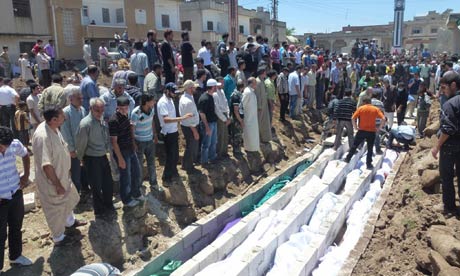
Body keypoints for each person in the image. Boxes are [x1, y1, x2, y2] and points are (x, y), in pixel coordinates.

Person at [32, 107, 86, 245]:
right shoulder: (43, 136)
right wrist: (57, 184)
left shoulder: (55, 128)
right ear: (54, 119)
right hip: (52, 181)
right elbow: (47, 165)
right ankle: (59, 238)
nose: (65, 118)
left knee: (69, 199)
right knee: (55, 210)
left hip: (63, 175)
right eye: (62, 116)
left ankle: (70, 223)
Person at [0, 126, 33, 273]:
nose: (4, 149)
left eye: (6, 147)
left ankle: (15, 256)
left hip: (15, 193)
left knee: (16, 227)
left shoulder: (14, 144)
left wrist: (25, 176)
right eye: (2, 147)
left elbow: (25, 155)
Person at [76, 98, 115, 218]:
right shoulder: (85, 124)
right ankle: (99, 211)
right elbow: (81, 144)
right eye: (97, 110)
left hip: (102, 156)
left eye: (102, 110)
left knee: (108, 183)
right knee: (96, 186)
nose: (100, 112)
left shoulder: (101, 120)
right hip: (91, 158)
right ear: (91, 109)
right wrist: (81, 159)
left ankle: (108, 205)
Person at [431, 71, 460, 217]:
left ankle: (449, 208)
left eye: (444, 88)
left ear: (453, 85)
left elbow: (448, 129)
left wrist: (437, 146)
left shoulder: (450, 104)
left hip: (451, 146)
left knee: (447, 177)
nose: (442, 91)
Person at [109, 96, 142, 207]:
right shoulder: (114, 120)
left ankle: (136, 193)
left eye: (126, 108)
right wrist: (120, 158)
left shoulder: (126, 116)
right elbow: (114, 142)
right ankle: (127, 200)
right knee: (125, 177)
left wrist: (133, 144)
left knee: (136, 172)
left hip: (130, 149)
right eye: (121, 108)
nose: (124, 110)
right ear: (117, 107)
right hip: (122, 152)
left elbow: (129, 130)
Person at [157, 83, 192, 182]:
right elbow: (166, 119)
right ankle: (166, 178)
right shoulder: (163, 102)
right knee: (170, 156)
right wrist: (182, 118)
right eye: (173, 92)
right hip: (168, 133)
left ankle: (174, 173)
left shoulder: (170, 99)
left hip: (174, 131)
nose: (174, 95)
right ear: (167, 91)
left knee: (175, 155)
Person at [344, 96, 386, 170]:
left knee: (354, 145)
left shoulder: (361, 108)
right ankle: (368, 164)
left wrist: (355, 127)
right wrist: (379, 128)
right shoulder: (376, 109)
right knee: (370, 149)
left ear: (364, 102)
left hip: (362, 130)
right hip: (371, 131)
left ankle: (348, 158)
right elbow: (383, 118)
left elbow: (353, 118)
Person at [131, 94, 159, 191]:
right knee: (139, 165)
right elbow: (132, 129)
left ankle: (154, 183)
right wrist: (133, 143)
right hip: (139, 142)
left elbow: (152, 122)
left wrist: (155, 135)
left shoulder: (152, 109)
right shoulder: (136, 113)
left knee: (151, 163)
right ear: (146, 102)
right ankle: (138, 185)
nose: (154, 102)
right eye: (152, 100)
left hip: (150, 140)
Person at [61, 88, 86, 193]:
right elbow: (65, 133)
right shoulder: (66, 112)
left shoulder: (83, 109)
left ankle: (85, 189)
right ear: (71, 99)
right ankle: (77, 194)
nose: (81, 100)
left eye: (81, 98)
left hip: (84, 147)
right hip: (74, 149)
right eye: (78, 98)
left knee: (85, 170)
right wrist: (71, 150)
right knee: (75, 172)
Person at [179, 80, 200, 174]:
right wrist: (195, 131)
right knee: (191, 147)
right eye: (193, 87)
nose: (195, 89)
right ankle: (189, 167)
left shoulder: (186, 97)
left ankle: (186, 164)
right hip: (190, 127)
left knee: (190, 146)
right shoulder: (187, 101)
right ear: (189, 88)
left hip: (186, 125)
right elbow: (190, 119)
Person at [198, 79, 219, 166]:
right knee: (206, 143)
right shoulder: (204, 98)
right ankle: (204, 161)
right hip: (208, 124)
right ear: (213, 87)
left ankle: (212, 157)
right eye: (216, 86)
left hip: (213, 122)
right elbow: (202, 114)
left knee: (213, 142)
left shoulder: (211, 96)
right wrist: (206, 127)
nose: (217, 88)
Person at [213, 77, 230, 158]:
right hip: (220, 116)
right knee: (220, 135)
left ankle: (224, 152)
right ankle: (219, 153)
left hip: (225, 114)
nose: (222, 84)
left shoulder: (222, 91)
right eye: (221, 83)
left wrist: (228, 115)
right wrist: (224, 118)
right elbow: (217, 109)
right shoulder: (215, 94)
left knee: (225, 135)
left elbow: (226, 103)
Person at [242, 77, 260, 152]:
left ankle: (253, 149)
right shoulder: (247, 92)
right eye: (255, 83)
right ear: (251, 83)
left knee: (254, 134)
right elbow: (242, 104)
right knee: (249, 134)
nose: (256, 84)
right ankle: (249, 149)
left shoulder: (251, 91)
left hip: (253, 117)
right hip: (248, 118)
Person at [255, 68, 272, 143]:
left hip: (264, 104)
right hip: (260, 106)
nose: (266, 74)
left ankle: (265, 138)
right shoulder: (257, 82)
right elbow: (257, 95)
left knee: (265, 121)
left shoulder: (262, 81)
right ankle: (259, 138)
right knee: (260, 122)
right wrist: (259, 106)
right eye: (265, 73)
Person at [230, 81, 245, 156]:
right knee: (237, 135)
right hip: (237, 119)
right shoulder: (236, 96)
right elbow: (236, 111)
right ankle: (236, 151)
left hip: (239, 118)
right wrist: (241, 120)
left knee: (238, 135)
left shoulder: (239, 95)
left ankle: (238, 150)